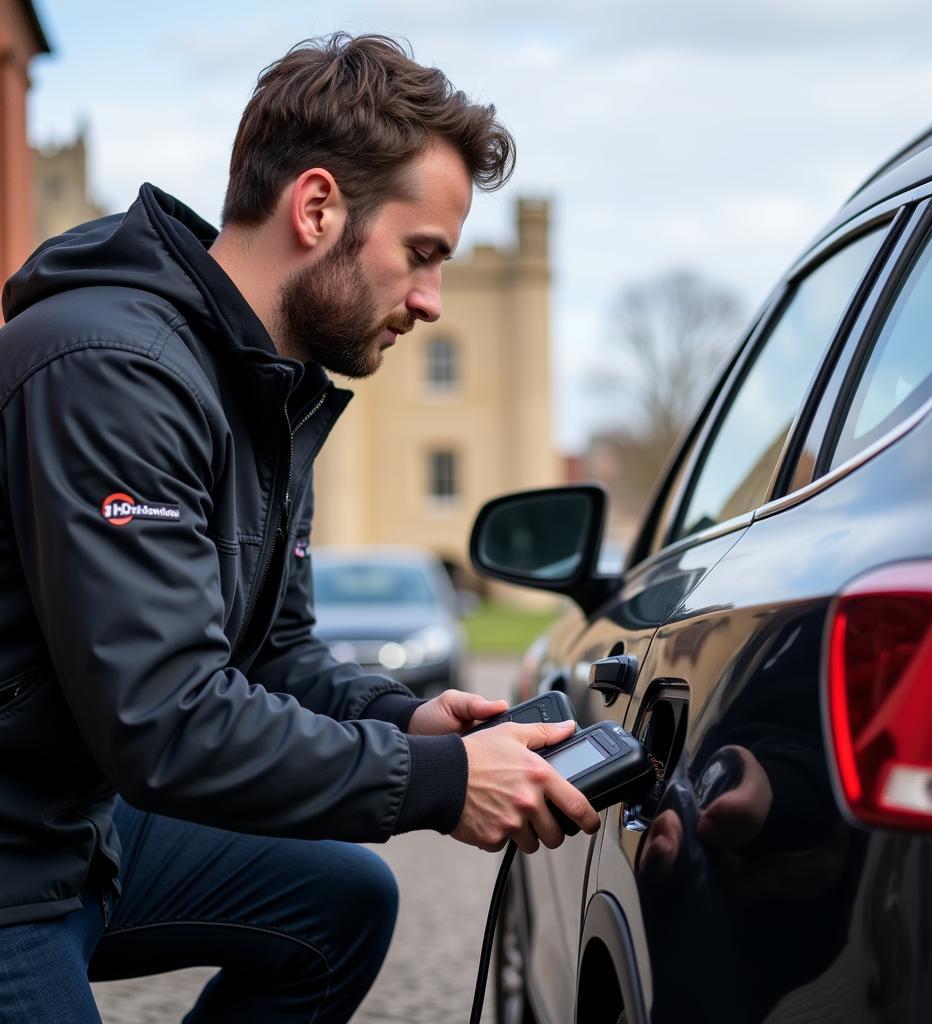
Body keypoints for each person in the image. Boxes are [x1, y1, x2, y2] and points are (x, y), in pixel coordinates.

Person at [0, 33, 599, 1023]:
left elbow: (272, 652)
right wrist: (442, 783)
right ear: (318, 208)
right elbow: (168, 720)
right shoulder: (108, 370)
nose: (431, 302)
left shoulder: (267, 393)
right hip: (13, 856)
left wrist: (404, 718)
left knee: (341, 900)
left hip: (72, 823)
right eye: (419, 255)